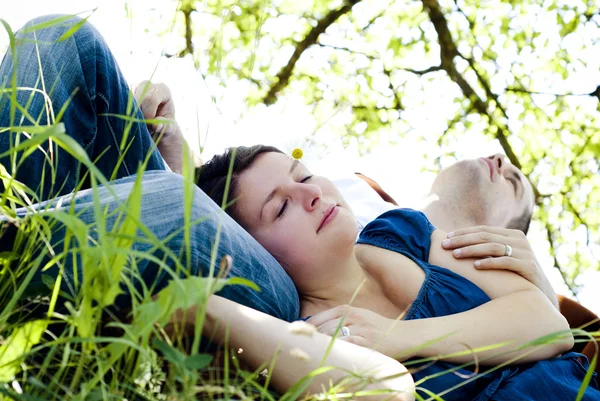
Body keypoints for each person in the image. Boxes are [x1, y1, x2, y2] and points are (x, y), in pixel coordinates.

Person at [0, 15, 415, 400]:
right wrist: (174, 144)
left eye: (294, 191)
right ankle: (14, 221)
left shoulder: (425, 247)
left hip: (269, 313)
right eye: (296, 185)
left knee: (181, 208)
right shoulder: (387, 236)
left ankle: (17, 247)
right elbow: (205, 209)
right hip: (183, 240)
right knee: (63, 38)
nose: (312, 194)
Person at [196, 145, 600, 400]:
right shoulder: (307, 334)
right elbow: (381, 390)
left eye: (302, 175)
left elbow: (548, 326)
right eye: (280, 207)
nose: (311, 193)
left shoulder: (403, 232)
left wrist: (398, 337)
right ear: (257, 252)